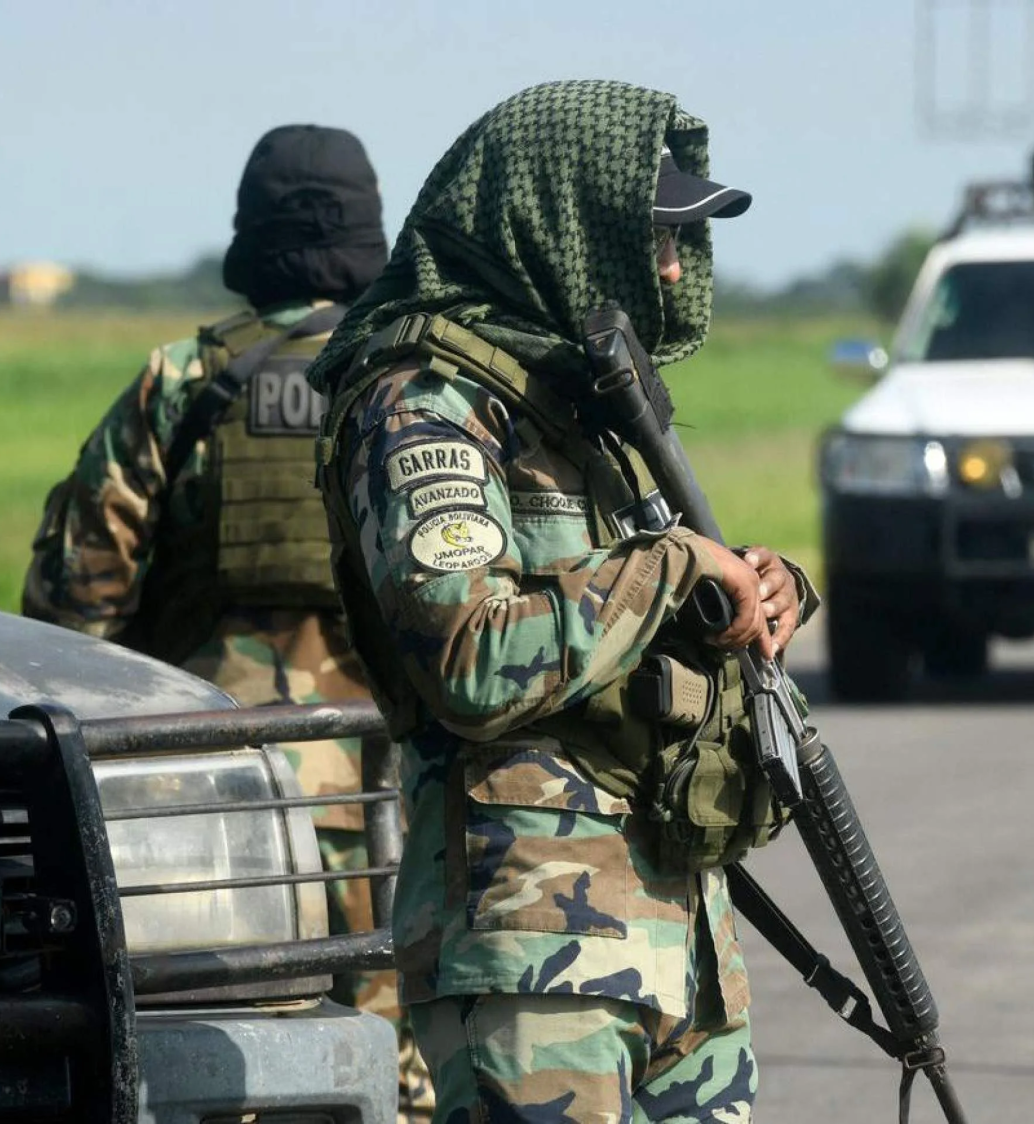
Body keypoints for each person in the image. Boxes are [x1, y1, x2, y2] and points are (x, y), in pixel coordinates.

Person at [305, 80, 818, 1122]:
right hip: (534, 944)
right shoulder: (424, 403)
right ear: (560, 223)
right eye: (652, 236)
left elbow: (634, 598)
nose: (669, 267)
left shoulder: (579, 405)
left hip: (679, 938)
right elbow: (471, 657)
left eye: (678, 242)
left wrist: (758, 586)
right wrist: (671, 569)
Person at [21, 123, 432, 1121]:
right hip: (396, 788)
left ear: (252, 234)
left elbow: (71, 607)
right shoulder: (421, 375)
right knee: (404, 1061)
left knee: (225, 1055)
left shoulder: (183, 379)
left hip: (211, 796)